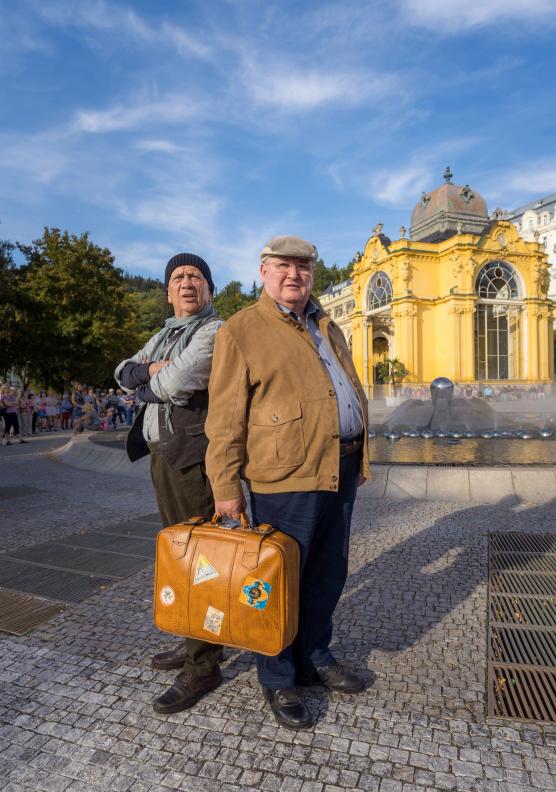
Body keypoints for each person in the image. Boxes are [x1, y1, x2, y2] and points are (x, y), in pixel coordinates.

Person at [205, 235, 370, 730]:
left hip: (337, 467)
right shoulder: (241, 330)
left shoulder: (325, 322)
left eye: (303, 267)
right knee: (277, 583)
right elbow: (225, 418)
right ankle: (277, 678)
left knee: (328, 572)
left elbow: (347, 388)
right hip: (283, 477)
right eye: (284, 266)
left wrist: (360, 455)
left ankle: (313, 657)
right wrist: (225, 488)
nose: (294, 274)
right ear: (264, 271)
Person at [115, 252, 223, 715]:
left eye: (195, 276)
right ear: (167, 290)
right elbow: (121, 373)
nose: (186, 283)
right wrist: (145, 373)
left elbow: (175, 384)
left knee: (200, 560)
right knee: (177, 558)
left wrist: (150, 375)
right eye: (178, 277)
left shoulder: (214, 330)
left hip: (193, 458)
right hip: (162, 453)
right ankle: (190, 640)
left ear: (208, 289)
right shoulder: (163, 334)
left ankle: (203, 666)